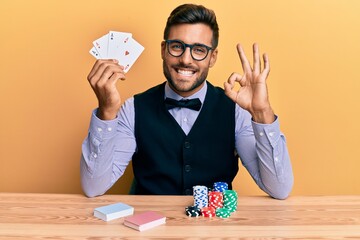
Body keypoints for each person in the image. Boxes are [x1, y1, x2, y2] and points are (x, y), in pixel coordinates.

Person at [81, 3, 293, 199]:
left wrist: (262, 113)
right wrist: (106, 112)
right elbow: (93, 187)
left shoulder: (235, 111)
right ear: (164, 50)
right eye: (177, 46)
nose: (186, 59)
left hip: (214, 230)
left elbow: (279, 189)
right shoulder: (133, 109)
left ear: (213, 57)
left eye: (199, 50)